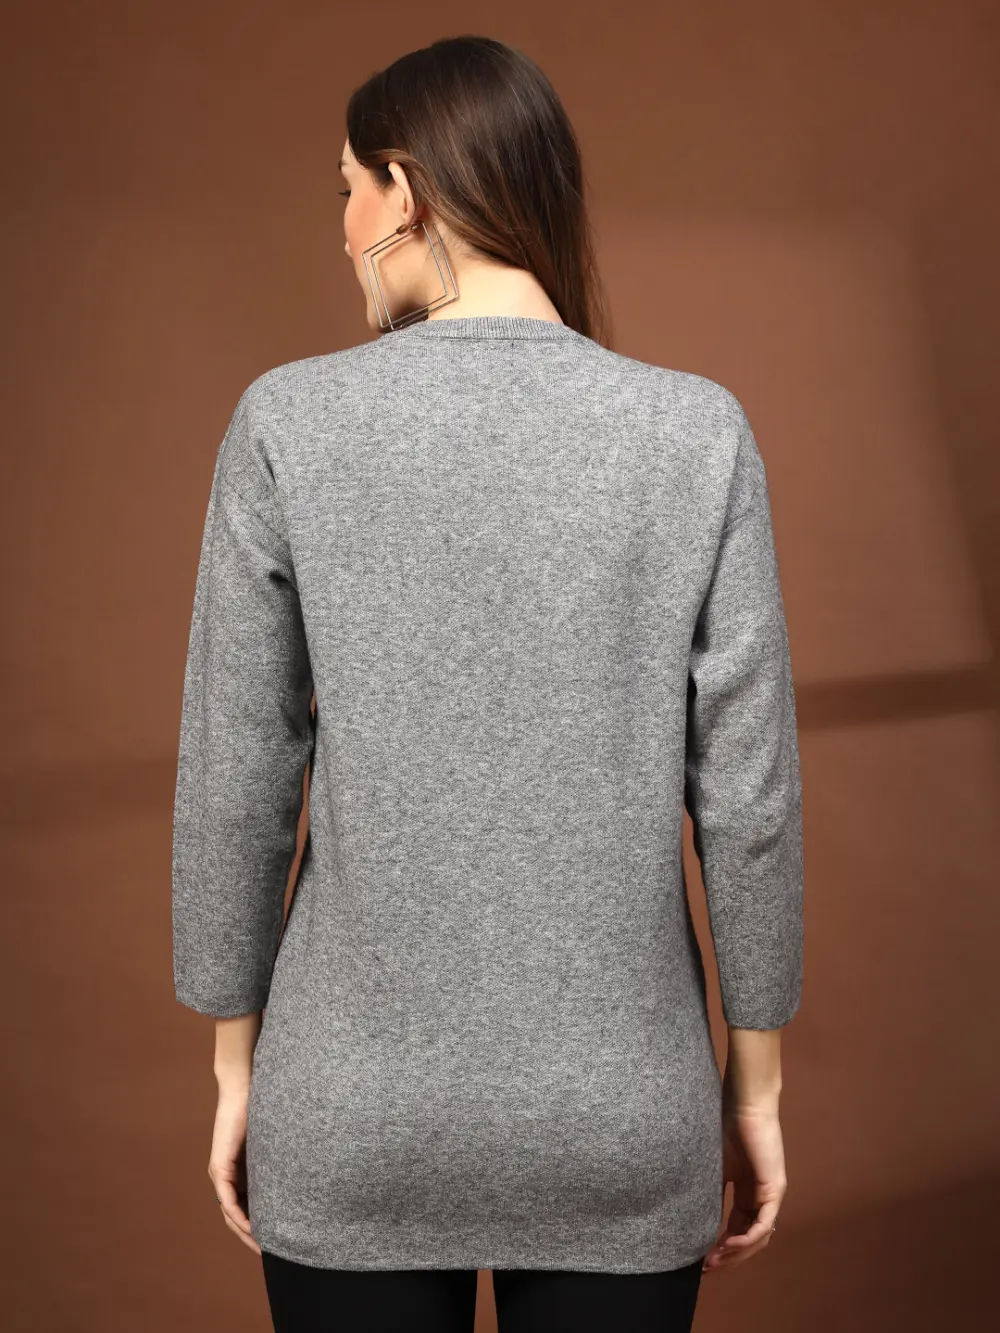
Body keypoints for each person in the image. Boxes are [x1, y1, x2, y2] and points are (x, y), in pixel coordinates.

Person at [171, 33, 804, 1333]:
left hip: (350, 1106)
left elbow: (237, 776)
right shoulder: (696, 431)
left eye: (347, 189)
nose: (344, 226)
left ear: (402, 192)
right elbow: (749, 806)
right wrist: (755, 1086)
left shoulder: (286, 421)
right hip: (622, 1114)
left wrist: (237, 1062)